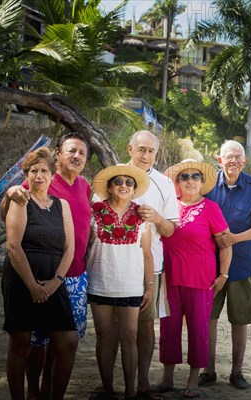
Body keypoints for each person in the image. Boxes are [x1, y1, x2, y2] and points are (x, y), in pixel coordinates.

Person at [0, 132, 91, 400]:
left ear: (52, 175)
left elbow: (70, 247)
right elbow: (13, 245)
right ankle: (28, 395)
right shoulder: (21, 198)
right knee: (23, 342)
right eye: (34, 171)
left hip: (59, 279)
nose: (39, 176)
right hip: (23, 278)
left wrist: (54, 283)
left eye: (43, 171)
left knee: (67, 340)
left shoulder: (69, 198)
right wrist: (32, 285)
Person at [199, 140, 251, 389]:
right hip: (209, 265)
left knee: (239, 321)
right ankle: (208, 371)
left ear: (245, 162)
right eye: (228, 157)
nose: (233, 161)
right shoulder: (207, 186)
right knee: (207, 318)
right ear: (218, 160)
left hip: (244, 264)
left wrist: (234, 238)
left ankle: (237, 373)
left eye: (238, 158)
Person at [156, 159, 232, 398]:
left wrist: (223, 275)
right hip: (170, 278)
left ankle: (192, 382)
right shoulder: (168, 206)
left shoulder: (211, 208)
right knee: (169, 328)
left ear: (201, 183)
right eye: (184, 177)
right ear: (177, 183)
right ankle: (167, 378)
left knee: (198, 329)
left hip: (201, 280)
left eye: (195, 177)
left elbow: (225, 244)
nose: (190, 181)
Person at [86, 164, 153, 400]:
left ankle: (131, 391)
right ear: (110, 187)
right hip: (100, 281)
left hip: (131, 284)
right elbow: (86, 247)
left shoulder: (142, 214)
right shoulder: (94, 211)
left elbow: (147, 254)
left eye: (129, 182)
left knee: (130, 335)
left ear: (134, 189)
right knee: (104, 334)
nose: (124, 186)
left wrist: (149, 286)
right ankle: (107, 389)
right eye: (118, 182)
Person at [125, 130, 178, 398]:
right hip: (115, 265)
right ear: (130, 149)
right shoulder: (115, 176)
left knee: (146, 325)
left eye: (151, 151)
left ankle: (143, 382)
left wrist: (157, 218)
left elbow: (170, 230)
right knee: (111, 327)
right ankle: (113, 385)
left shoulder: (163, 184)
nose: (146, 156)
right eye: (141, 149)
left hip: (151, 267)